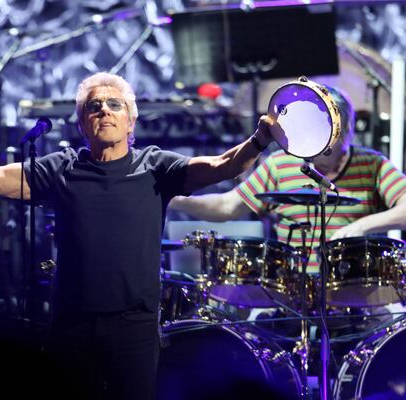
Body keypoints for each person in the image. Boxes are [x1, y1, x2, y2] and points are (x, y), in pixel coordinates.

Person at [0, 71, 274, 400]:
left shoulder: (155, 167)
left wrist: (258, 140)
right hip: (71, 324)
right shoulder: (61, 168)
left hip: (134, 327)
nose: (105, 111)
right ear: (82, 124)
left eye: (115, 104)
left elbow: (223, 165)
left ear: (131, 122)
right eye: (94, 106)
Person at [170, 86, 406, 274]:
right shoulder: (280, 163)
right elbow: (227, 206)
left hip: (356, 288)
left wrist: (361, 226)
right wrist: (175, 198)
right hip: (294, 291)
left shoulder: (372, 164)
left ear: (346, 129)